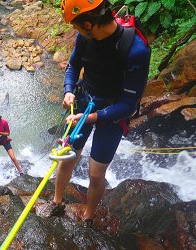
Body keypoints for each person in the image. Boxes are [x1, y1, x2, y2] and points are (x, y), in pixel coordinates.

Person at [47, 0, 150, 227]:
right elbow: (73, 66)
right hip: (84, 100)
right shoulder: (85, 37)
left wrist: (94, 117)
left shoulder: (136, 50)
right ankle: (57, 202)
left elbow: (129, 104)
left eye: (76, 26)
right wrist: (68, 91)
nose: (76, 31)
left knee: (96, 173)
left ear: (88, 23)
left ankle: (89, 216)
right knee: (66, 158)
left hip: (113, 115)